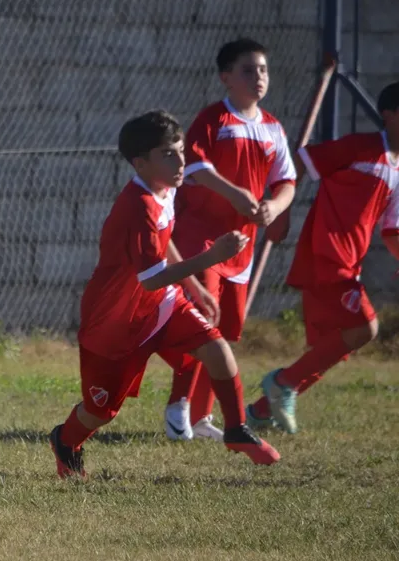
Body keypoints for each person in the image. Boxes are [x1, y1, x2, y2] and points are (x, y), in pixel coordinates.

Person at [49, 110, 279, 479]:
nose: (181, 161)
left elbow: (163, 240)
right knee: (100, 411)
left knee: (217, 349)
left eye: (181, 151)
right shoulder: (137, 206)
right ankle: (65, 440)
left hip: (163, 304)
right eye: (168, 155)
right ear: (140, 164)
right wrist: (211, 258)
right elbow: (151, 279)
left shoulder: (166, 187)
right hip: (116, 321)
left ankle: (236, 429)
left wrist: (195, 287)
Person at [162, 38, 296, 442]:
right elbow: (195, 167)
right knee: (202, 322)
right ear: (226, 78)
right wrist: (235, 193)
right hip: (202, 238)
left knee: (223, 331)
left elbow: (286, 181)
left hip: (241, 245)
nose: (259, 77)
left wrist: (275, 207)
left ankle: (201, 417)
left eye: (263, 70)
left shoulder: (272, 127)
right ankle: (178, 407)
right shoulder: (214, 119)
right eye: (248, 70)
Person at [245, 81, 399, 434]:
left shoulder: (397, 169)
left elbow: (392, 231)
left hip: (348, 263)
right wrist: (281, 212)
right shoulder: (359, 147)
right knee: (365, 328)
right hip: (326, 254)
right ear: (389, 115)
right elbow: (300, 162)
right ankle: (282, 382)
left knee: (332, 346)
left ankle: (260, 412)